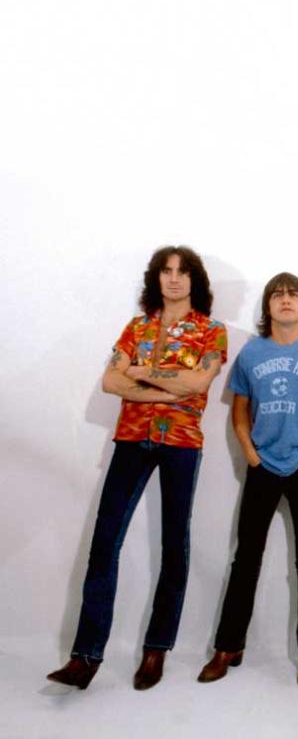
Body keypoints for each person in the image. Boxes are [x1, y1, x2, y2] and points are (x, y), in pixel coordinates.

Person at [47, 246, 227, 691]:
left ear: (195, 281)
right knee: (105, 542)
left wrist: (140, 377)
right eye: (166, 272)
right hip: (131, 440)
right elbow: (111, 381)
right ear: (155, 279)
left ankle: (156, 650)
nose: (174, 279)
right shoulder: (137, 326)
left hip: (182, 445)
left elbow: (200, 382)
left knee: (173, 545)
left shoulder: (212, 331)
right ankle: (84, 657)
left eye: (183, 272)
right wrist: (169, 389)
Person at [197, 272, 298, 688]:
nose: (285, 300)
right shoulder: (252, 354)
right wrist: (248, 450)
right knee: (246, 558)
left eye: (293, 293)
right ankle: (228, 646)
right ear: (267, 307)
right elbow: (239, 408)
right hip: (263, 467)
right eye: (277, 294)